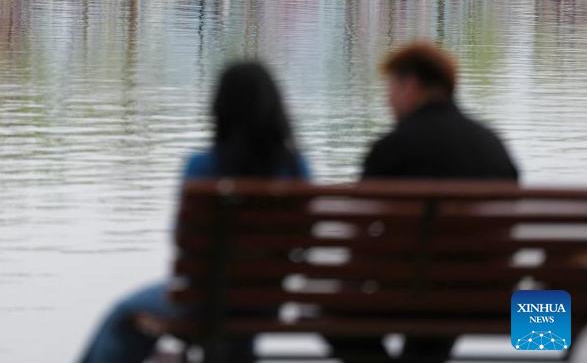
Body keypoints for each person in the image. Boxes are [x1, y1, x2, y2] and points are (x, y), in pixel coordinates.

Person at [78, 61, 311, 363]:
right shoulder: (296, 169)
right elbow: (304, 242)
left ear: (219, 107)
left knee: (121, 316)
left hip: (204, 302)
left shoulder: (203, 166)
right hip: (267, 301)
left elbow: (183, 240)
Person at [327, 42, 518, 363]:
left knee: (322, 310)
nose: (387, 98)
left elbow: (360, 238)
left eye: (390, 87)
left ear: (411, 85)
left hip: (408, 293)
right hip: (490, 297)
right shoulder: (491, 144)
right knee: (439, 310)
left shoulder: (393, 147)